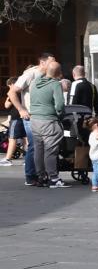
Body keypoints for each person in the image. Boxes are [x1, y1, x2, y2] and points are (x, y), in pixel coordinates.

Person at [6, 52, 58, 184]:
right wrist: (21, 109)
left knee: (43, 145)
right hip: (30, 116)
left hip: (44, 116)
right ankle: (30, 176)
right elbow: (12, 92)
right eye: (51, 61)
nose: (53, 64)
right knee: (34, 145)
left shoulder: (49, 74)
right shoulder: (30, 74)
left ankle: (42, 174)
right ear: (42, 62)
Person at [27, 60, 68, 188]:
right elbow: (60, 105)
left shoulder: (35, 82)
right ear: (59, 73)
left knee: (38, 150)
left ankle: (41, 176)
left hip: (34, 120)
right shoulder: (55, 84)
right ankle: (54, 178)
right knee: (50, 150)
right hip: (48, 121)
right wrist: (60, 115)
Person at [3, 77, 26, 166]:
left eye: (9, 86)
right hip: (25, 116)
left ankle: (8, 158)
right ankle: (26, 158)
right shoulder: (24, 91)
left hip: (16, 117)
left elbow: (7, 105)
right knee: (26, 138)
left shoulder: (13, 92)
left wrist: (9, 95)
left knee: (12, 138)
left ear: (12, 84)